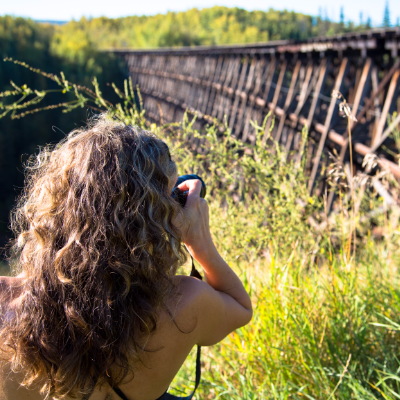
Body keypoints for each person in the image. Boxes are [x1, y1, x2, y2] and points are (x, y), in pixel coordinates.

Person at [0, 115, 252, 400]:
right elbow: (240, 308)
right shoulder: (185, 303)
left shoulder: (3, 304)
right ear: (156, 220)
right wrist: (201, 243)